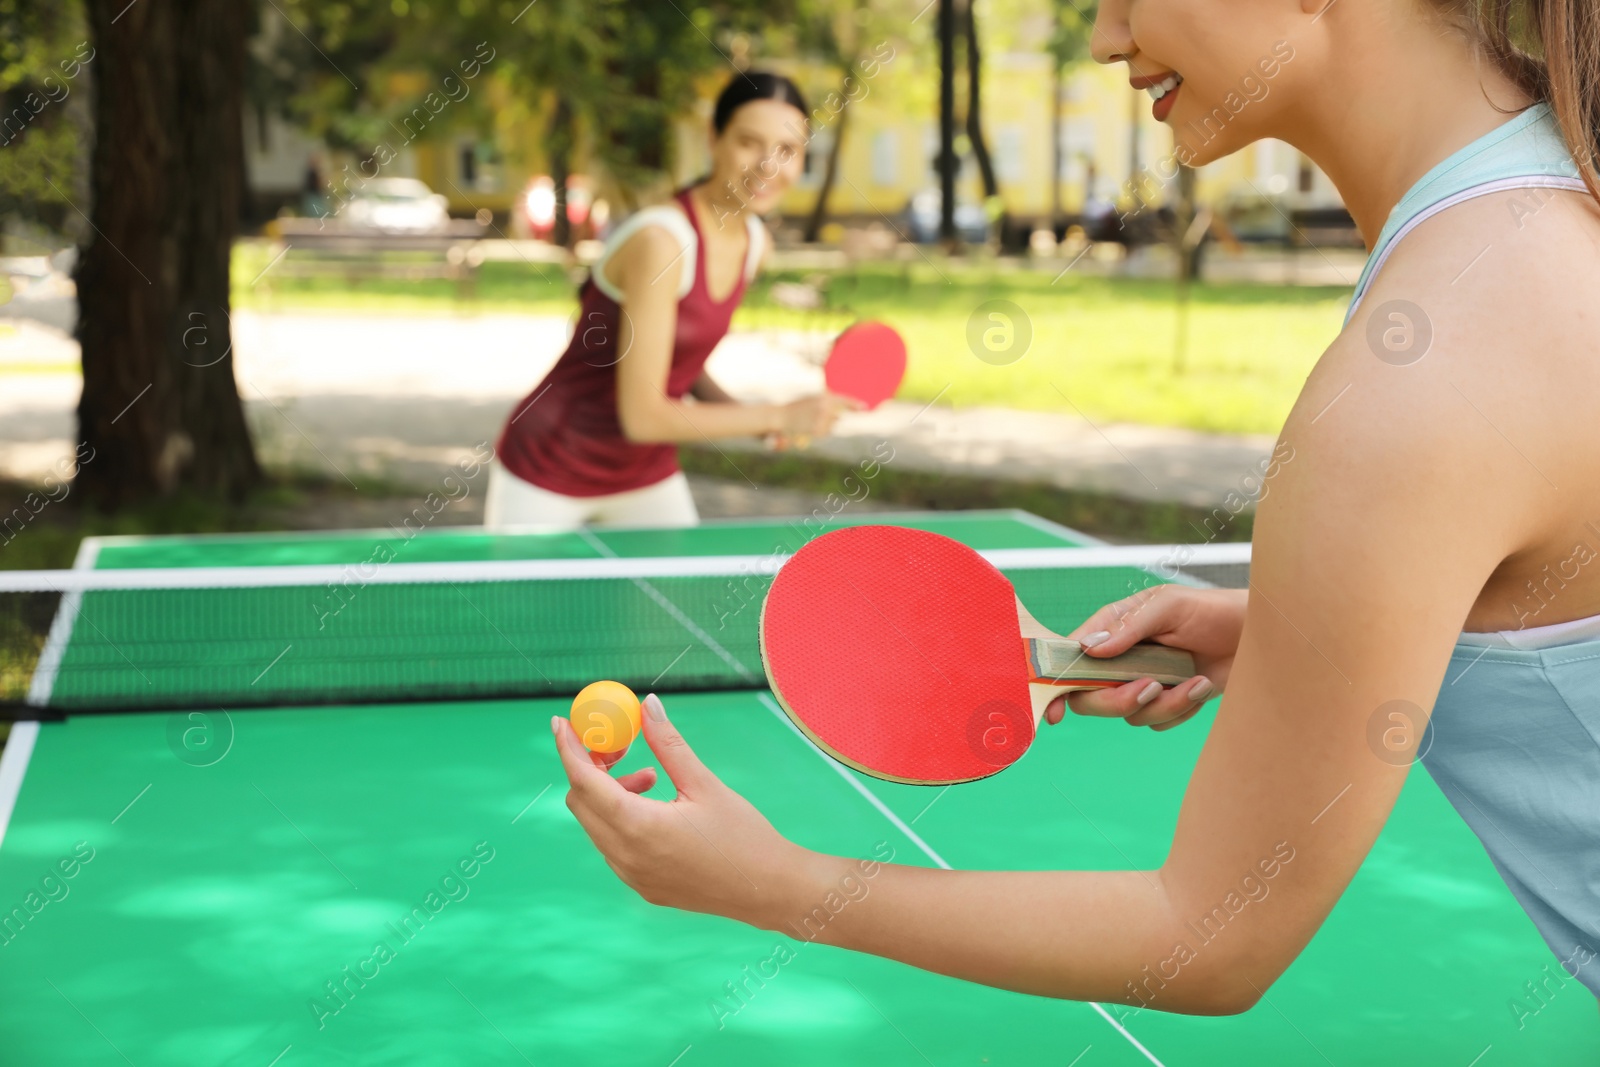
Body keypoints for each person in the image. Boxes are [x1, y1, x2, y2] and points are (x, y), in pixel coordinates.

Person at [554, 0, 1600, 1014]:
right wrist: (1299, 631)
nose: (1104, 37)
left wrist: (772, 883)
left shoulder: (1419, 375)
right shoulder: (1547, 227)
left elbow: (1206, 935)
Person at [486, 73, 855, 530]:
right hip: (551, 464)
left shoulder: (755, 244)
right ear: (713, 139)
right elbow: (642, 416)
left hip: (644, 469)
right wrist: (777, 413)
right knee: (530, 606)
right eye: (748, 142)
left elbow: (679, 356)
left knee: (680, 601)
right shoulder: (663, 242)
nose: (767, 166)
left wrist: (756, 420)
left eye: (788, 151)